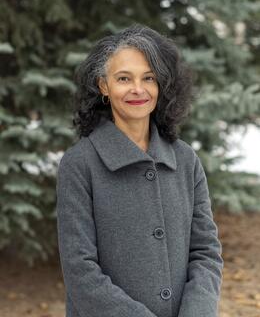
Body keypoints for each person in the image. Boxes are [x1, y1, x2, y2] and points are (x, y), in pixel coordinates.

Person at [56, 23, 224, 317]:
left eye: (148, 78)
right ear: (103, 85)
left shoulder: (185, 160)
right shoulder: (80, 164)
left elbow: (206, 253)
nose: (138, 89)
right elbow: (79, 270)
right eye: (124, 78)